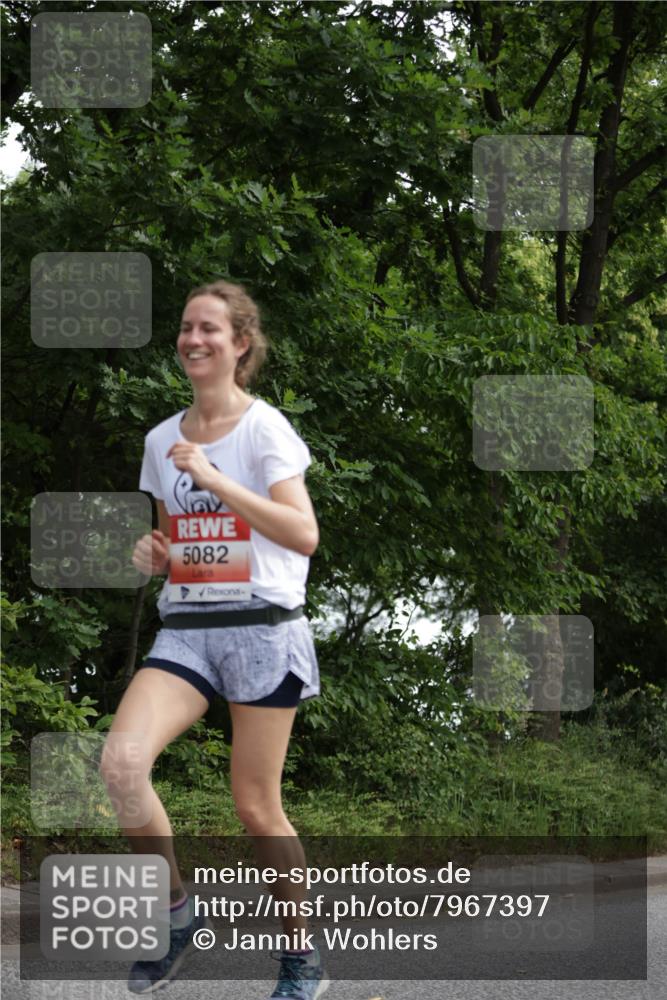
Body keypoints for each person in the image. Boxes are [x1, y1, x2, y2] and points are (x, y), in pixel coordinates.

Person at [100, 280, 329, 999]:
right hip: (190, 631)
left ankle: (301, 958)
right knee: (121, 765)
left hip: (262, 631)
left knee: (255, 806)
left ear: (239, 344)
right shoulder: (160, 439)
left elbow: (303, 534)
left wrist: (215, 477)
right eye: (184, 329)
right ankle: (176, 918)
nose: (192, 340)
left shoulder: (264, 431)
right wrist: (156, 554)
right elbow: (183, 538)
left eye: (208, 329)